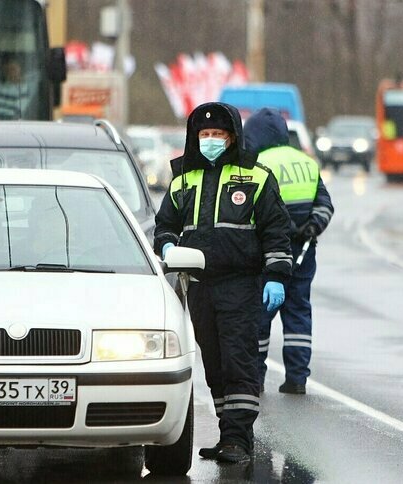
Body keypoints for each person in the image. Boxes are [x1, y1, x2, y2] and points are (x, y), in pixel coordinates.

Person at [154, 102, 294, 464]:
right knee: (213, 364)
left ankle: (238, 440)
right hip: (199, 286)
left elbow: (277, 231)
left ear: (232, 137)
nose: (211, 140)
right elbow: (165, 224)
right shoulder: (183, 179)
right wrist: (168, 243)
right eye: (205, 134)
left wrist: (276, 276)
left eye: (218, 134)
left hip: (240, 285)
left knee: (239, 361)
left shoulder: (256, 177)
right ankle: (227, 433)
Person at [243, 108, 334, 395]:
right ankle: (297, 378)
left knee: (260, 314)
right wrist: (311, 227)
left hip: (268, 254)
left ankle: (255, 378)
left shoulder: (256, 164)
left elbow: (250, 211)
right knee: (298, 314)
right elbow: (325, 205)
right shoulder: (306, 163)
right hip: (304, 252)